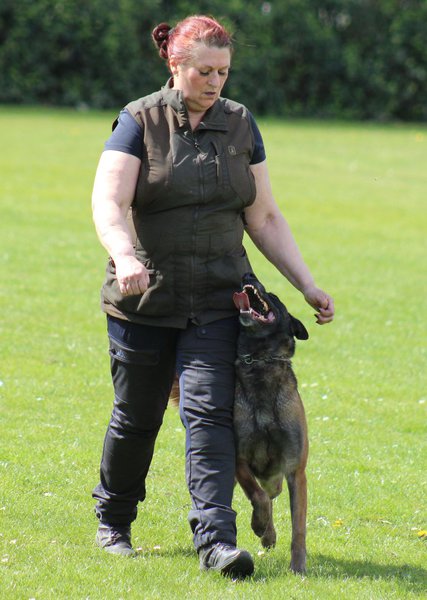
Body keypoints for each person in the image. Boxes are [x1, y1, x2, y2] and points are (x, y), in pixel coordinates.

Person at [91, 15, 334, 579]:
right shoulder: (139, 120)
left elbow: (264, 216)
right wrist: (125, 256)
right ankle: (114, 521)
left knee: (210, 418)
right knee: (137, 417)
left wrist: (306, 283)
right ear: (175, 64)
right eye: (205, 71)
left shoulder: (241, 124)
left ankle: (216, 540)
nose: (215, 82)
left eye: (223, 72)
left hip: (220, 301)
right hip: (145, 300)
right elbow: (108, 202)